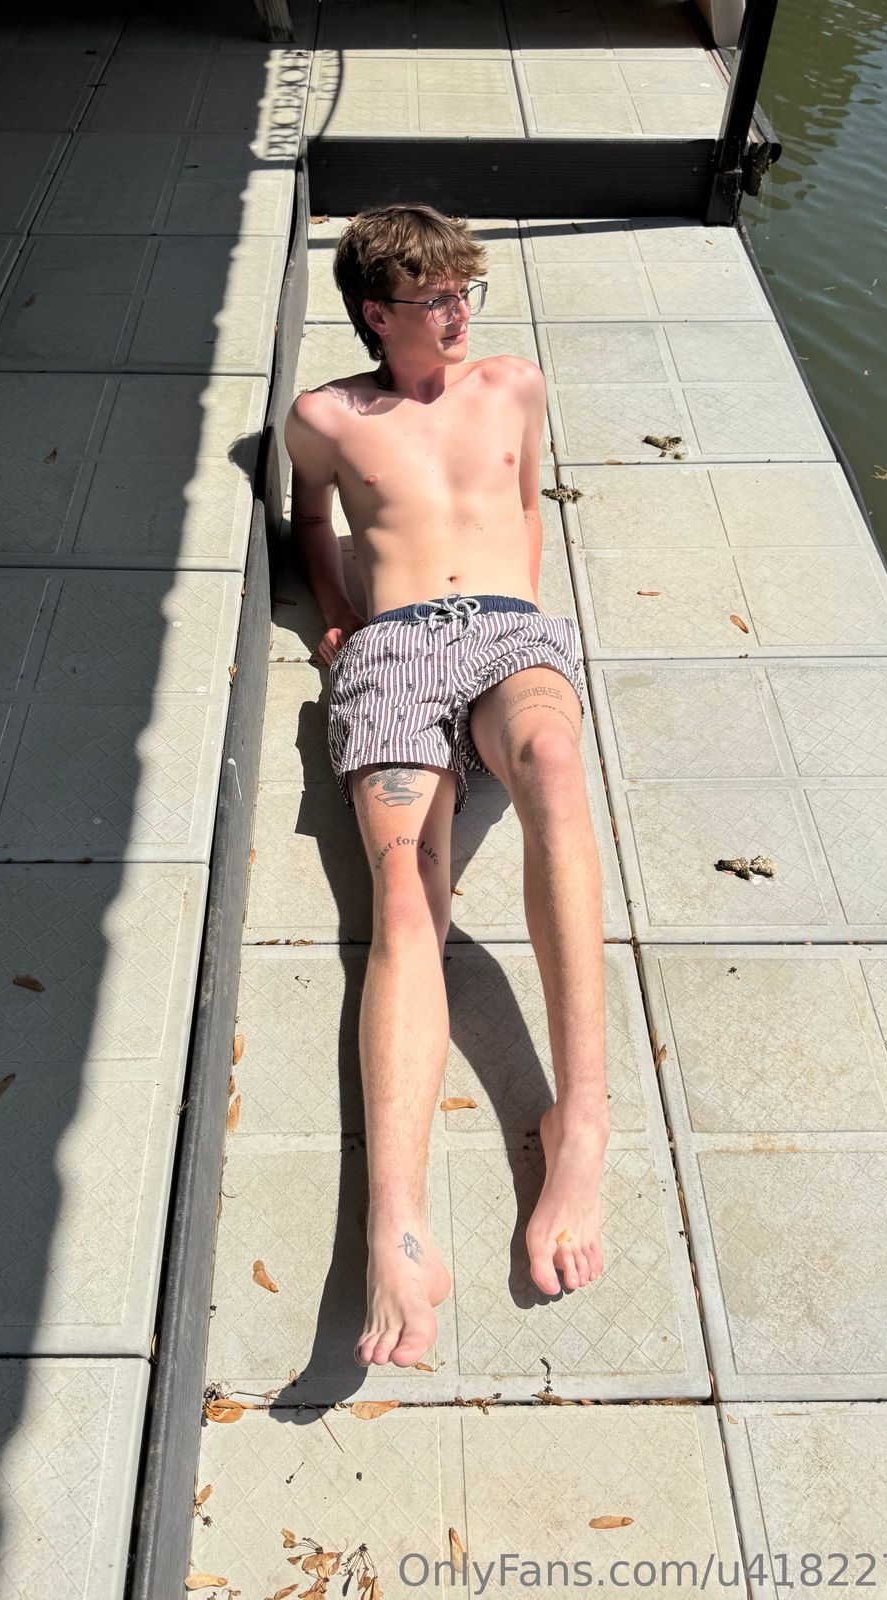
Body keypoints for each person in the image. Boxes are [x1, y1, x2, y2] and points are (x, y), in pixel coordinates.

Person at [283, 203, 608, 1370]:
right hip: (395, 646)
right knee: (406, 895)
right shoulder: (324, 416)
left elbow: (523, 511)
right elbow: (310, 522)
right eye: (434, 297)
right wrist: (335, 615)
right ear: (378, 314)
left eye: (465, 288)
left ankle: (582, 1119)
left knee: (555, 766)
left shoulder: (513, 384)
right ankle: (396, 1222)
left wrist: (526, 623)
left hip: (510, 632)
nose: (459, 310)